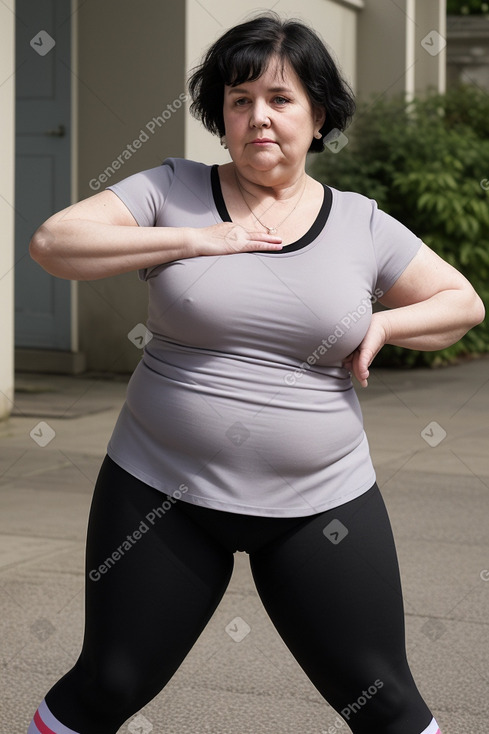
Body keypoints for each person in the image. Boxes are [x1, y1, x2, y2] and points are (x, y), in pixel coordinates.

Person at [26, 12, 484, 734]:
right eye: (239, 101)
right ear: (221, 116)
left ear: (318, 115)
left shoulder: (360, 223)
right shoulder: (171, 189)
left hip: (320, 501)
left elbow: (462, 302)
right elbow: (54, 243)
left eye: (279, 99)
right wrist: (197, 240)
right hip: (159, 488)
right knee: (108, 683)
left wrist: (384, 325)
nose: (257, 118)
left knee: (385, 700)